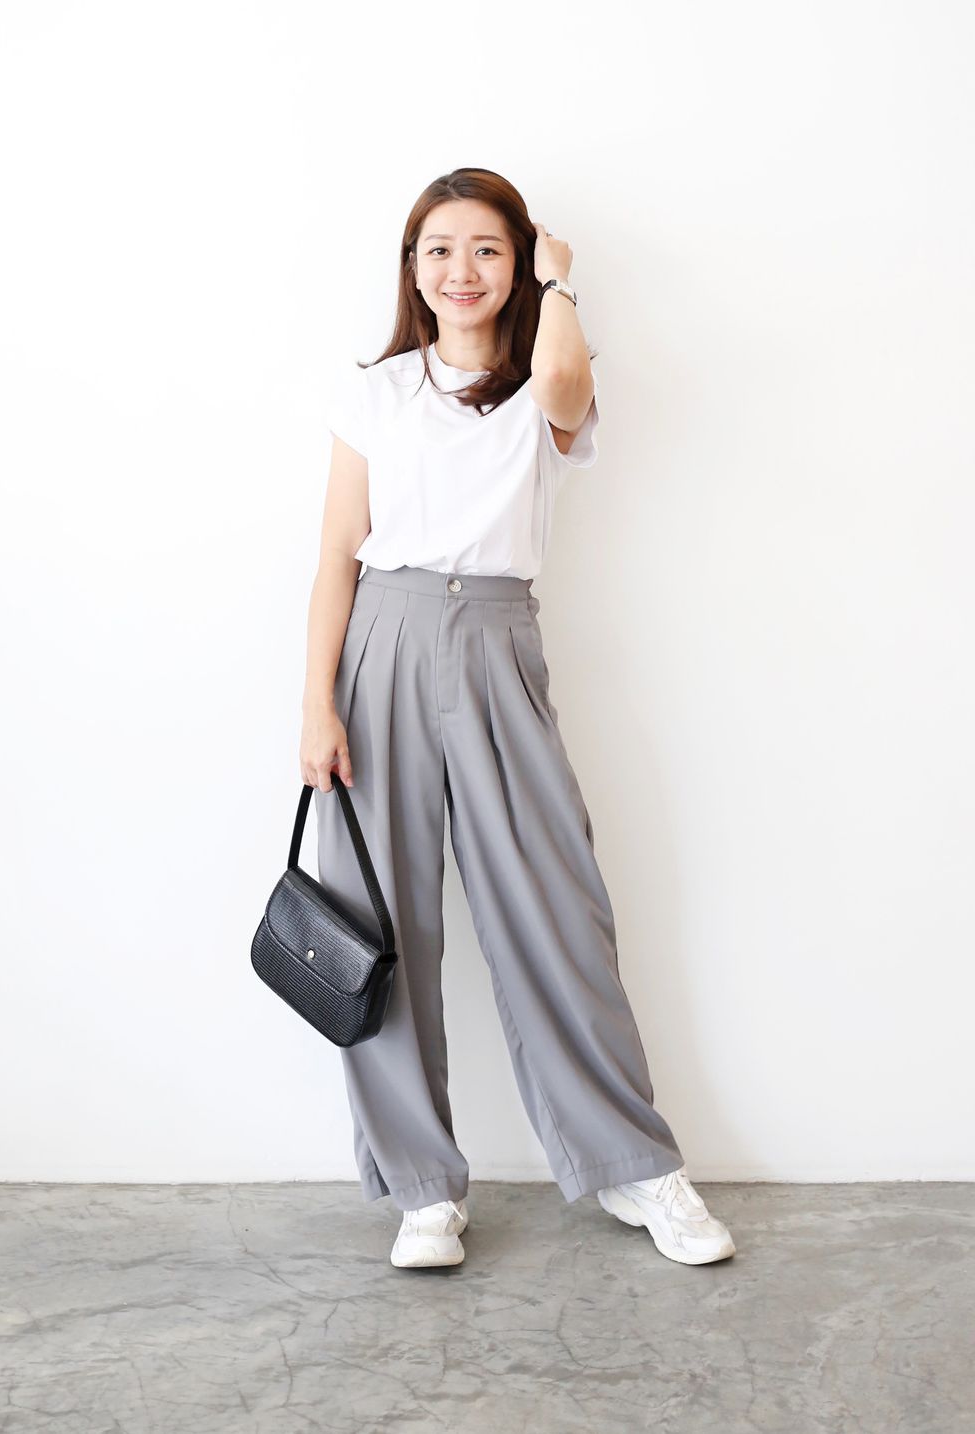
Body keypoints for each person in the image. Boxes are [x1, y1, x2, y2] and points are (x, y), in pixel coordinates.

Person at [300, 168, 735, 1270]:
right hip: (383, 642)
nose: (462, 270)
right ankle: (421, 1192)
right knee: (381, 922)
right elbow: (335, 557)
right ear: (412, 269)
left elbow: (570, 390)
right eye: (439, 250)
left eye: (487, 249)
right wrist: (316, 706)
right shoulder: (376, 394)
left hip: (498, 641)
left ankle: (633, 1165)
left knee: (556, 909)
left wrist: (560, 281)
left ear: (520, 265)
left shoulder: (544, 379)